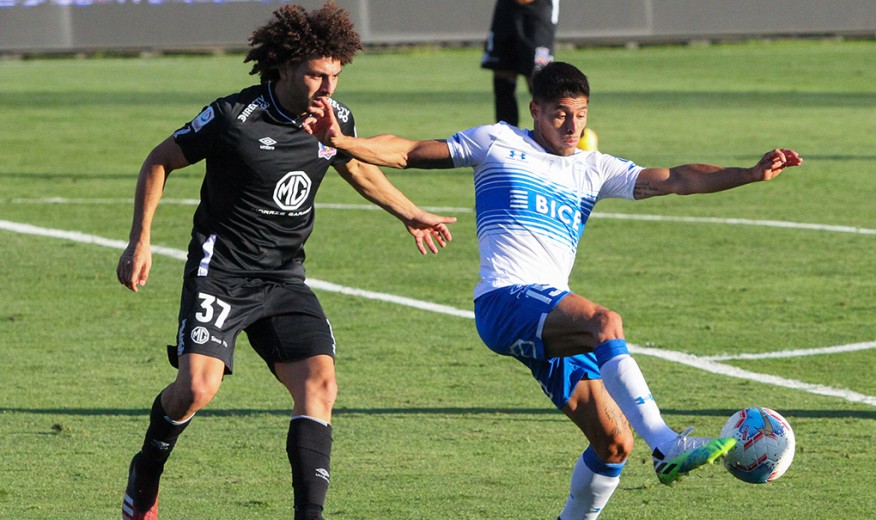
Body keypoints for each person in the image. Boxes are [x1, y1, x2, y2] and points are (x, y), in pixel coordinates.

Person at [304, 61, 803, 519]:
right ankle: (668, 446)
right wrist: (344, 142)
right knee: (604, 322)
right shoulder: (497, 142)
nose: (572, 126)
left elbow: (676, 178)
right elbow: (409, 151)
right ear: (536, 110)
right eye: (561, 114)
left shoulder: (593, 168)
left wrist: (750, 173)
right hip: (505, 301)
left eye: (580, 115)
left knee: (613, 443)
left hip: (549, 314)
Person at [115, 3, 455, 519]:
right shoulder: (233, 117)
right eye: (317, 75)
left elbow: (355, 167)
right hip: (222, 275)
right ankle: (146, 470)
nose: (327, 88)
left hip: (284, 279)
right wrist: (140, 240)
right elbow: (160, 160)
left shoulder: (334, 120)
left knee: (320, 385)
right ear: (286, 66)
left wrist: (409, 213)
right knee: (195, 389)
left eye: (336, 76)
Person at [482, 0, 560, 127]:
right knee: (503, 73)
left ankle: (563, 130)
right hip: (506, 7)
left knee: (538, 77)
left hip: (538, 9)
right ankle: (506, 134)